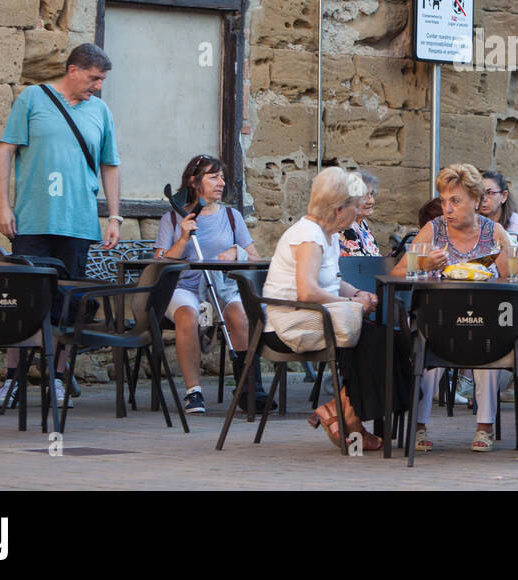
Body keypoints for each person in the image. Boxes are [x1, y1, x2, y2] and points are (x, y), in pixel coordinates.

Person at [0, 42, 121, 407]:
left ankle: (59, 378)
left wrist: (113, 216)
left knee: (69, 303)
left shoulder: (101, 111)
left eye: (101, 80)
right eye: (94, 78)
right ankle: (13, 379)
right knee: (22, 301)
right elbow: (6, 150)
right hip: (33, 219)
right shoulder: (32, 99)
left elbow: (109, 165)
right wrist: (4, 205)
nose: (98, 86)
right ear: (74, 70)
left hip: (79, 223)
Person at [389, 164, 511, 452]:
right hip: (439, 318)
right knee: (426, 345)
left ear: (476, 200)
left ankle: (484, 428)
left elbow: (510, 276)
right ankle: (418, 427)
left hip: (482, 319)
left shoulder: (494, 232)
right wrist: (423, 264)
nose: (447, 208)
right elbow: (397, 272)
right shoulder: (433, 230)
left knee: (489, 348)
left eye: (454, 200)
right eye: (444, 201)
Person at [265, 168, 389, 450]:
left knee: (384, 337)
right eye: (353, 207)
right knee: (379, 342)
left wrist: (357, 294)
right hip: (292, 323)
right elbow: (306, 291)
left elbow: (331, 281)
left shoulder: (326, 233)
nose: (357, 212)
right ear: (338, 209)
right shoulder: (310, 237)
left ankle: (338, 410)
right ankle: (349, 419)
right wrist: (351, 304)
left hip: (312, 315)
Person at [155, 155, 266, 415]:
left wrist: (236, 251)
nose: (221, 183)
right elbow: (159, 262)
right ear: (194, 182)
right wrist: (183, 239)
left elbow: (255, 258)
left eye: (223, 177)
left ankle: (249, 390)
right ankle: (194, 392)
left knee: (240, 315)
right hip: (185, 288)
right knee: (187, 316)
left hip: (222, 287)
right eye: (213, 177)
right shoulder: (171, 219)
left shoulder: (231, 216)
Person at [478, 170, 518, 258]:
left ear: (504, 196)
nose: (484, 199)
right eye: (481, 193)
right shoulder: (475, 222)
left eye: (490, 193)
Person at [339, 171, 381, 256]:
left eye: (371, 194)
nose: (371, 201)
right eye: (364, 196)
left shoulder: (362, 224)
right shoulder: (342, 227)